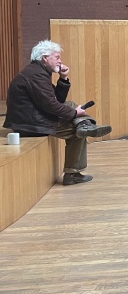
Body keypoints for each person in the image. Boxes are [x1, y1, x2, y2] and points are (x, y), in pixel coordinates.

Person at [4, 40, 112, 185]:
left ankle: (84, 125)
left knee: (71, 105)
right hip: (30, 124)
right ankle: (72, 173)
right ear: (44, 58)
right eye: (57, 57)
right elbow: (51, 105)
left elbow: (57, 100)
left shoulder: (37, 71)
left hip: (31, 118)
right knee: (77, 132)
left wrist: (63, 78)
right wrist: (74, 114)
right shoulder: (36, 76)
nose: (60, 61)